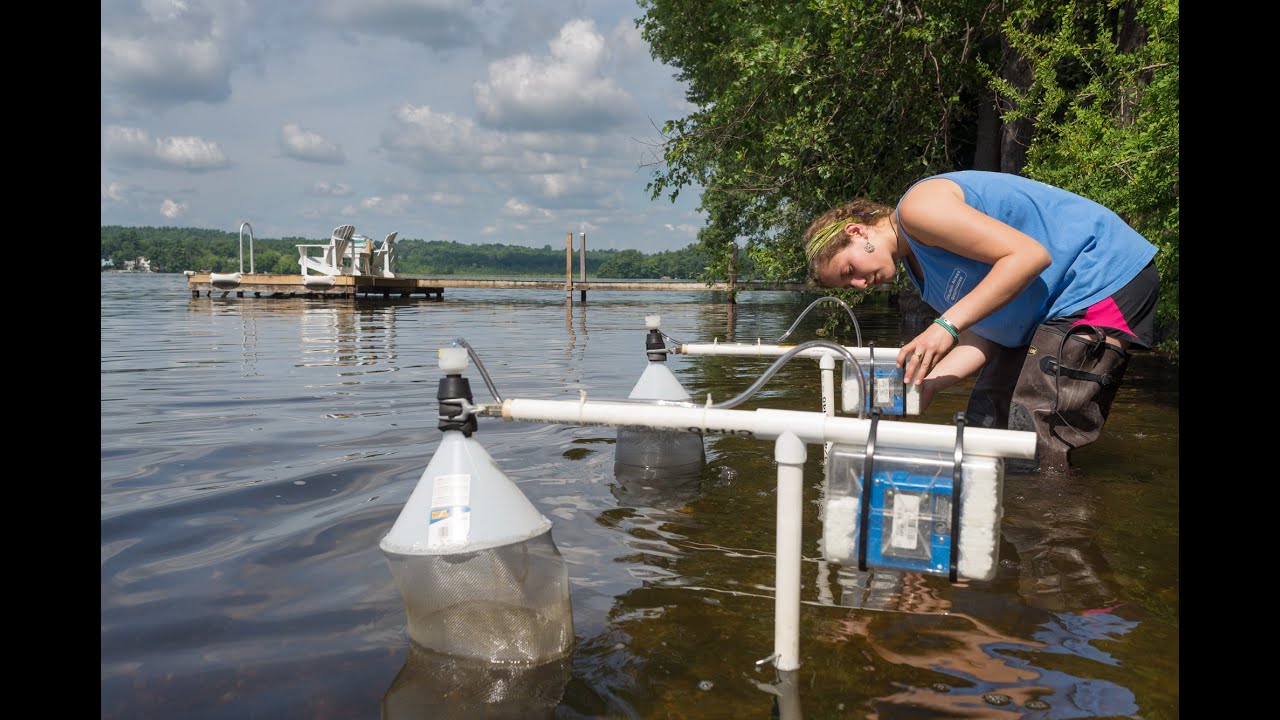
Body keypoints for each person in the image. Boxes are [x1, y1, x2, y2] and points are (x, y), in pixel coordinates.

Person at [803, 170, 1159, 471]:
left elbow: (1028, 256)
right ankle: (1000, 541)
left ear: (857, 232)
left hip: (1101, 277)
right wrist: (931, 384)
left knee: (1032, 432)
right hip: (1049, 311)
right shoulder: (923, 277)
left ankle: (1052, 540)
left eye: (850, 270)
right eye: (849, 285)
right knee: (985, 422)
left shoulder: (917, 209)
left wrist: (944, 325)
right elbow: (988, 334)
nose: (861, 284)